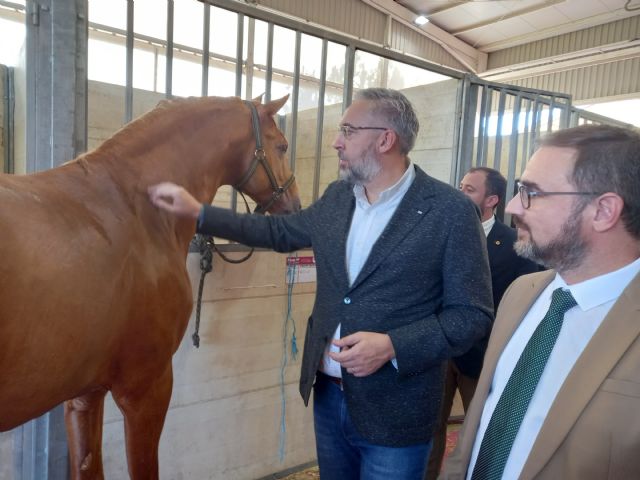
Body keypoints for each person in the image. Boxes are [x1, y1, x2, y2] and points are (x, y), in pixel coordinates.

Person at [149, 88, 493, 480]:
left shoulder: (449, 211)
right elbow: (279, 232)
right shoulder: (338, 196)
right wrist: (200, 214)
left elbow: (472, 315)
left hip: (396, 409)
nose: (336, 141)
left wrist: (393, 346)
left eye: (348, 130)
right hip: (330, 397)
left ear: (385, 139)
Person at [441, 124, 640, 480]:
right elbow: (477, 430)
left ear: (603, 211)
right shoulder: (522, 293)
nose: (514, 205)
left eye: (531, 192)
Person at [425, 167, 538, 480]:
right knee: (429, 429)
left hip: (484, 355)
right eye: (460, 186)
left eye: (469, 189)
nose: (459, 193)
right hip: (439, 351)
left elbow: (524, 299)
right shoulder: (440, 234)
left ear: (492, 199)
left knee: (479, 431)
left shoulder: (515, 243)